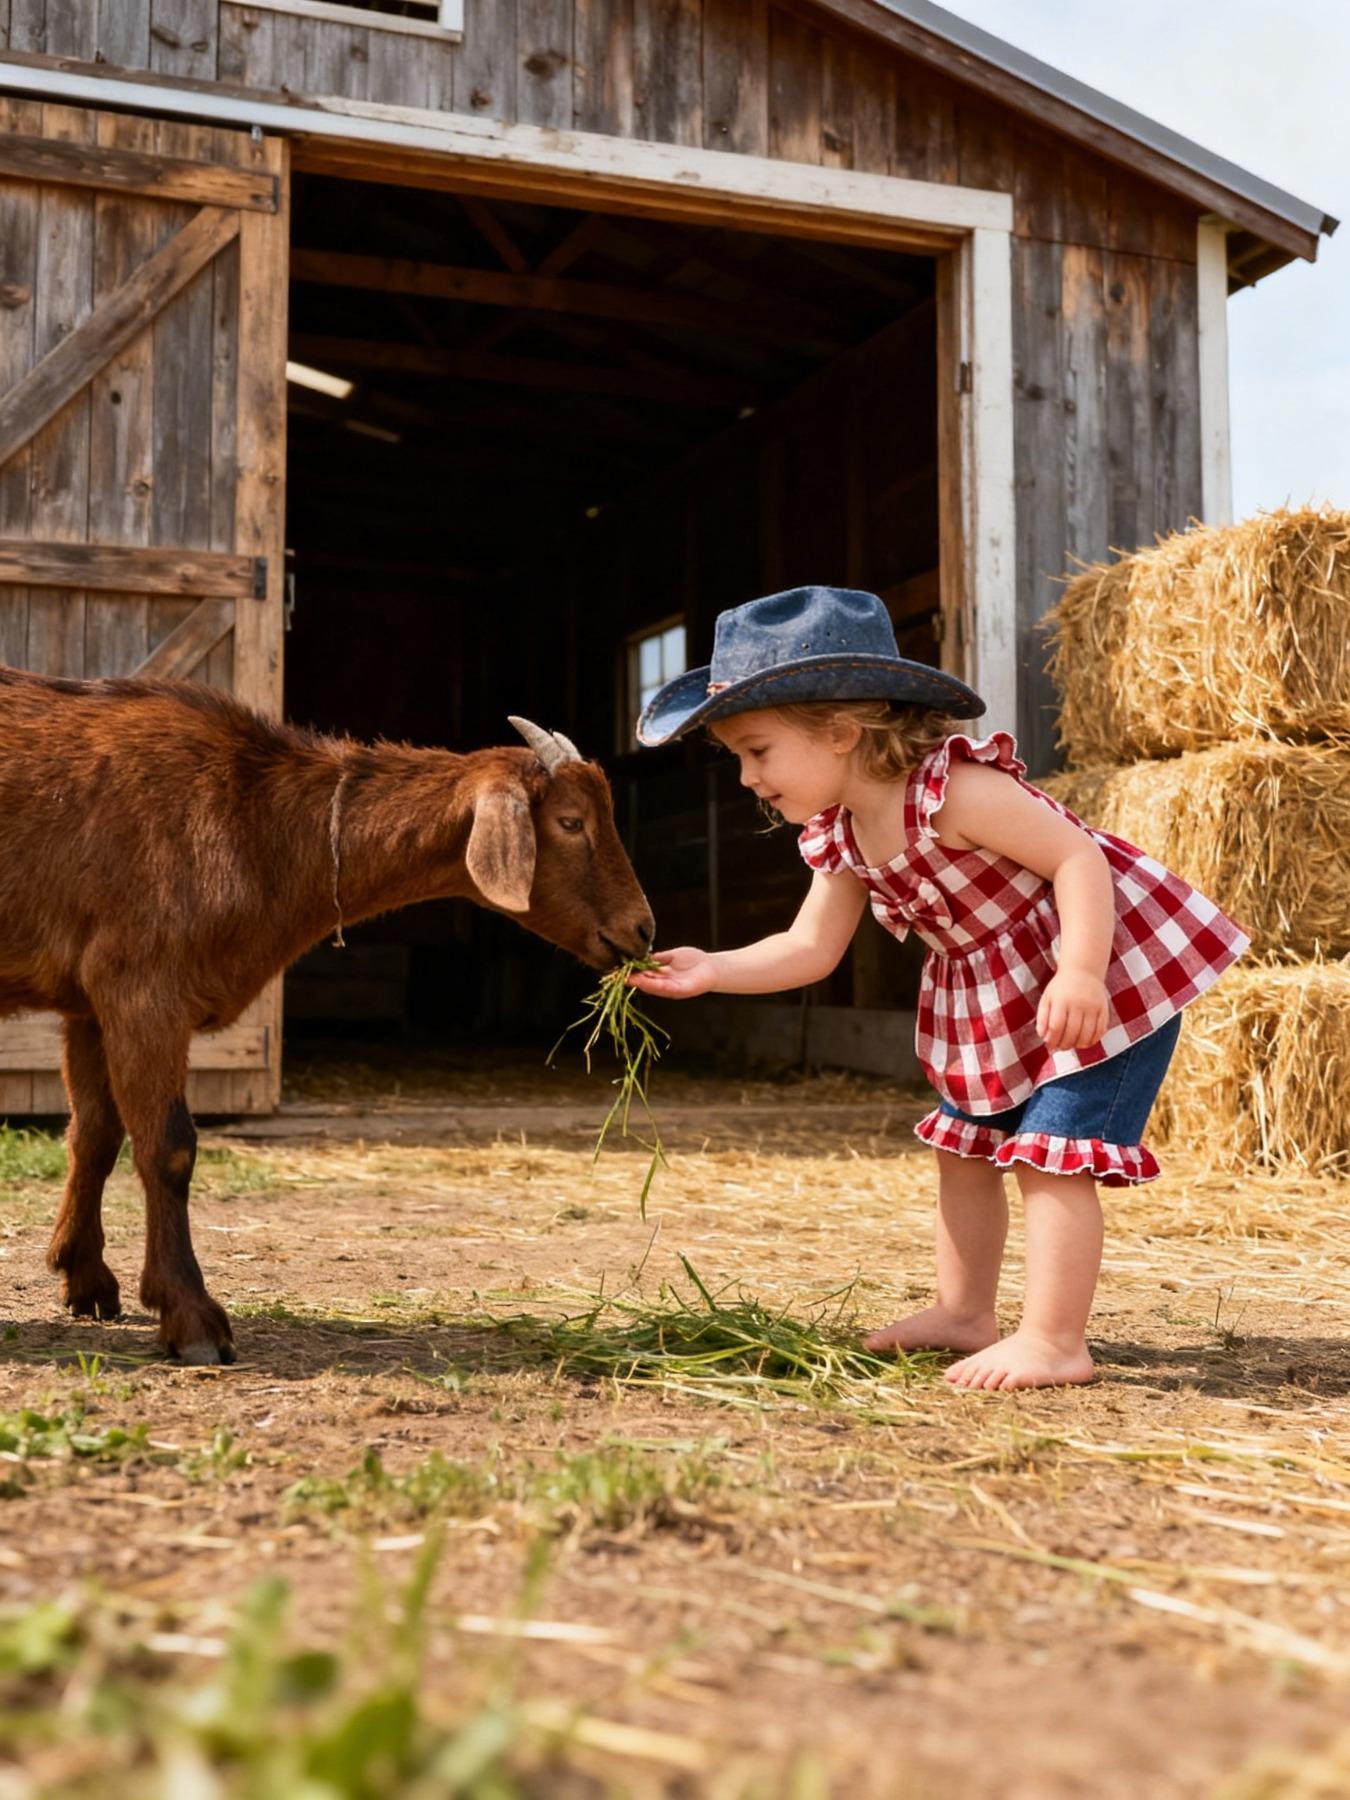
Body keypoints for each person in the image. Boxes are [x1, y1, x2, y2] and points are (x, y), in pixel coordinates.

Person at [629, 586, 1249, 1390]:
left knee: (1051, 1156)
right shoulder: (844, 834)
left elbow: (1078, 858)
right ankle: (964, 1313)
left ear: (842, 733)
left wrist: (1081, 971)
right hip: (995, 996)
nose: (747, 777)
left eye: (758, 751)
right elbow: (809, 947)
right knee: (966, 1152)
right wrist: (715, 968)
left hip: (1100, 978)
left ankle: (1057, 1340)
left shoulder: (956, 792)